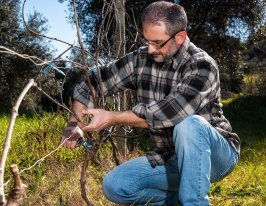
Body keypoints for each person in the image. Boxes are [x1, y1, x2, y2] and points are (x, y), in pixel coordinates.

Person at [61, 1, 240, 205]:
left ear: (179, 37)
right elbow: (90, 82)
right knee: (115, 186)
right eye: (147, 41)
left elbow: (168, 113)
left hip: (216, 156)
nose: (150, 49)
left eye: (157, 42)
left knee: (189, 124)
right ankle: (178, 201)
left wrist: (112, 118)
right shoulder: (140, 59)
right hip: (169, 157)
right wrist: (74, 123)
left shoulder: (201, 65)